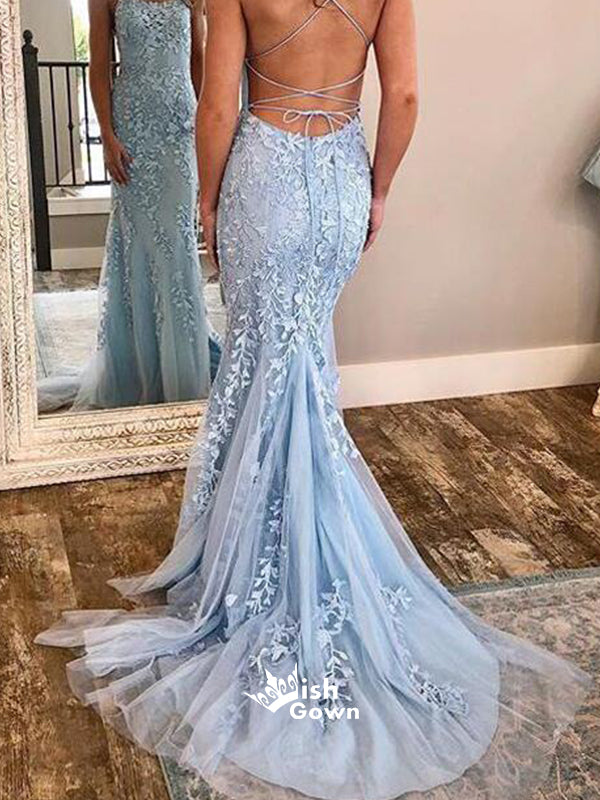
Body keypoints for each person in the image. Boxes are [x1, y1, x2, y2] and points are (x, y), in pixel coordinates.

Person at [37, 0, 590, 797]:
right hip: (338, 180)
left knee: (266, 368)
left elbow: (218, 105)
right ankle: (288, 539)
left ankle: (261, 558)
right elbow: (403, 96)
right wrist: (379, 190)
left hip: (262, 179)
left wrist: (208, 202)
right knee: (301, 373)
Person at [76, 0, 217, 409]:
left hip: (179, 127)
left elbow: (199, 60)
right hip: (132, 129)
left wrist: (205, 132)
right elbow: (99, 67)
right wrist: (107, 135)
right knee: (136, 243)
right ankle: (139, 367)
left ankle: (184, 368)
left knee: (177, 242)